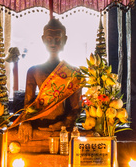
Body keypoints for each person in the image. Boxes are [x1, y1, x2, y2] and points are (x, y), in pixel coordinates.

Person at [8, 17, 83, 151]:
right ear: (43, 40)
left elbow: (76, 108)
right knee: (9, 137)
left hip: (62, 130)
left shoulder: (73, 73)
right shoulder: (34, 71)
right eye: (49, 39)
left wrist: (64, 123)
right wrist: (26, 122)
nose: (53, 43)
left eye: (58, 39)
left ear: (65, 40)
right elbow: (28, 104)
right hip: (38, 127)